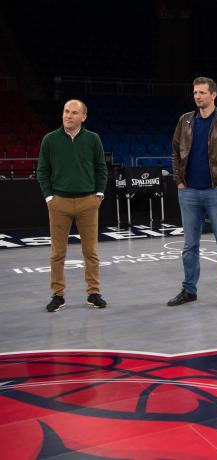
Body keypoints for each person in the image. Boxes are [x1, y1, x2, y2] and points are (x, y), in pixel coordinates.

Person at [167, 77, 217, 309]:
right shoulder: (185, 121)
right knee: (189, 246)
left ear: (213, 95)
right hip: (188, 192)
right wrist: (178, 181)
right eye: (195, 93)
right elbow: (174, 151)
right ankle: (189, 290)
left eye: (202, 92)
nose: (197, 96)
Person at [37, 99, 108, 312]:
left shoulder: (93, 139)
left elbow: (101, 168)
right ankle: (58, 295)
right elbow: (42, 171)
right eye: (66, 111)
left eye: (74, 112)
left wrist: (98, 195)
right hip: (60, 202)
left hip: (88, 202)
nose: (68, 115)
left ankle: (93, 293)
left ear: (83, 117)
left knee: (91, 252)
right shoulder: (49, 140)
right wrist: (50, 197)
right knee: (58, 253)